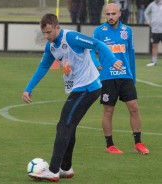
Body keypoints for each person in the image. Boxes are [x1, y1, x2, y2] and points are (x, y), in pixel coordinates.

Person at [22, 13, 122, 182]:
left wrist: (112, 60)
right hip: (78, 89)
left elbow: (97, 44)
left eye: (49, 32)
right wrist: (28, 88)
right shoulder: (51, 47)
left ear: (57, 27)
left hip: (89, 87)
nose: (46, 37)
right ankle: (66, 169)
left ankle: (53, 170)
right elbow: (43, 67)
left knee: (64, 125)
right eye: (44, 34)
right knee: (69, 125)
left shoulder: (72, 37)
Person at [92, 3, 149, 155]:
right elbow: (91, 51)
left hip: (125, 76)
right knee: (108, 111)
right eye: (108, 14)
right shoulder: (99, 31)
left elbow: (130, 54)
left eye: (113, 14)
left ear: (119, 14)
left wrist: (133, 76)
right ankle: (110, 145)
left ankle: (138, 143)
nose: (110, 17)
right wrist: (98, 65)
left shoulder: (127, 31)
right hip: (108, 77)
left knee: (134, 107)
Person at [144, 0, 162, 66]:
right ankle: (154, 62)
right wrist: (149, 21)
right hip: (155, 30)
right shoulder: (152, 4)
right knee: (154, 45)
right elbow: (145, 13)